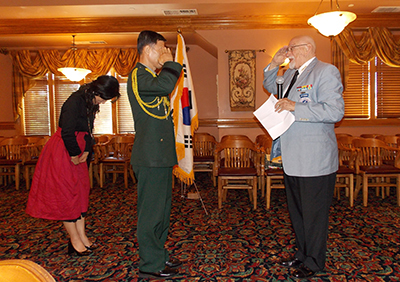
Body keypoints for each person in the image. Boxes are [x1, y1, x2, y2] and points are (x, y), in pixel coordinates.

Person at [263, 35, 344, 279]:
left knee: (314, 215)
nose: (288, 53)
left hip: (315, 159)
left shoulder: (326, 72)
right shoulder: (290, 74)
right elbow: (270, 85)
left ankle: (315, 261)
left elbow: (335, 111)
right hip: (292, 157)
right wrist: (274, 63)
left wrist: (295, 107)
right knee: (298, 213)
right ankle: (302, 254)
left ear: (306, 49)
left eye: (292, 49)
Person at [26, 75, 120, 256]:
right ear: (97, 91)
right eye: (103, 98)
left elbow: (88, 132)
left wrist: (87, 150)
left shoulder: (90, 102)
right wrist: (75, 153)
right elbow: (67, 132)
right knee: (67, 196)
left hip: (77, 150)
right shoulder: (74, 101)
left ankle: (82, 237)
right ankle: (74, 240)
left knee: (80, 194)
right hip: (64, 151)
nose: (103, 102)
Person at [127, 30, 183, 279]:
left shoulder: (150, 76)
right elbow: (165, 85)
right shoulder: (139, 76)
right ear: (148, 50)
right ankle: (150, 264)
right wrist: (172, 63)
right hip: (149, 157)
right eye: (161, 49)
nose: (164, 53)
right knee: (150, 213)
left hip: (160, 156)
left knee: (162, 211)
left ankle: (159, 256)